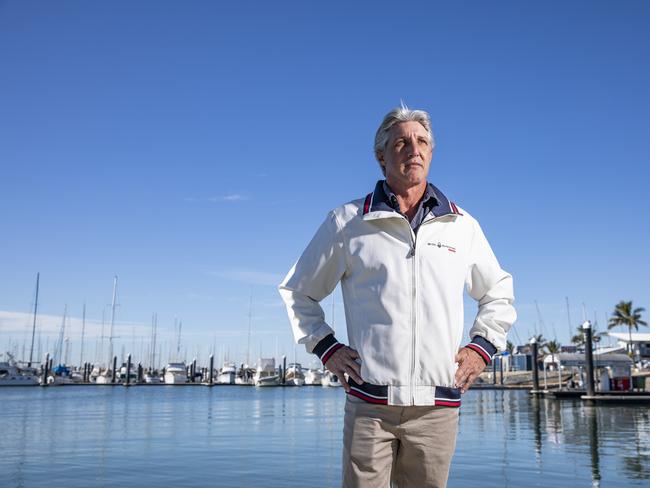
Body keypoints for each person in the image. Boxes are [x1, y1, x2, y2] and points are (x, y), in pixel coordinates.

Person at [278, 105, 516, 488]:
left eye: (422, 141)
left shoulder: (461, 226)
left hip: (437, 409)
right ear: (381, 157)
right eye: (401, 142)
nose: (413, 149)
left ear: (432, 153)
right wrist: (327, 347)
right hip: (370, 406)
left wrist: (481, 348)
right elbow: (297, 291)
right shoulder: (348, 222)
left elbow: (498, 292)